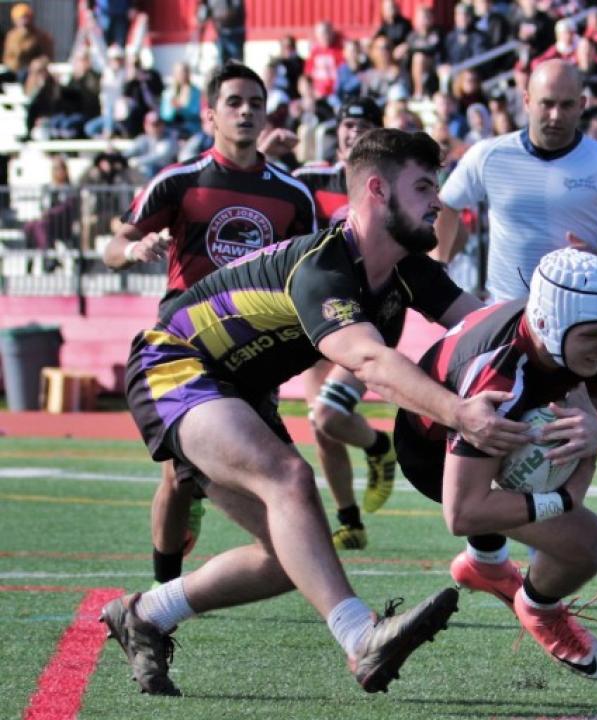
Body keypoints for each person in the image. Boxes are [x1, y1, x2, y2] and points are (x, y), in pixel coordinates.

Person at [101, 129, 487, 695]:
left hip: (239, 389)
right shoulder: (322, 265)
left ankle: (145, 614)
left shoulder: (408, 268)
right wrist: (462, 413)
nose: (439, 201)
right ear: (377, 190)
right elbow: (369, 360)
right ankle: (362, 638)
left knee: (292, 557)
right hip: (175, 360)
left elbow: (486, 330)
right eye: (425, 185)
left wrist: (565, 355)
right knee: (289, 478)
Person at [102, 63, 318, 591]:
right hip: (186, 351)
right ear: (209, 114)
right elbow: (112, 247)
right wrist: (133, 249)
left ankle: (163, 603)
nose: (245, 111)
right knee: (177, 480)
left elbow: (311, 275)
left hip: (256, 353)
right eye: (234, 102)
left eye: (255, 103)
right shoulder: (179, 180)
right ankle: (160, 597)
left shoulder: (294, 195)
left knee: (281, 479)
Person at [397, 248, 597, 680]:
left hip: (502, 426)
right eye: (593, 335)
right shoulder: (497, 373)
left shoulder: (593, 335)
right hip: (432, 451)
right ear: (550, 325)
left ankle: (485, 563)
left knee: (554, 435)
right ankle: (539, 608)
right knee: (587, 543)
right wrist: (564, 498)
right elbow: (463, 513)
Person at [432, 60, 597, 302]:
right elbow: (445, 205)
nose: (555, 115)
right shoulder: (489, 155)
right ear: (527, 101)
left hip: (580, 318)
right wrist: (438, 267)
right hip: (507, 316)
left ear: (582, 105)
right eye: (547, 104)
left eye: (566, 105)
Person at [293, 97, 401, 550]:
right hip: (320, 314)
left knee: (328, 414)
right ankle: (350, 521)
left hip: (372, 317)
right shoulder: (310, 180)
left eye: (360, 125)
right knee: (320, 427)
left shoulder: (391, 185)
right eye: (345, 124)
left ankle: (380, 447)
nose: (350, 132)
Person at [3, 3, 54, 82]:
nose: (24, 21)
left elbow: (47, 56)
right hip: (14, 71)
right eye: (21, 18)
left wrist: (38, 63)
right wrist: (12, 65)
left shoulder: (40, 36)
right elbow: (7, 56)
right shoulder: (11, 36)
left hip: (30, 73)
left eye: (26, 17)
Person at [195, 0, 246, 67]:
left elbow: (235, 10)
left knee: (236, 64)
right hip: (221, 35)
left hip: (234, 34)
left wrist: (219, 17)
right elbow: (203, 15)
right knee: (222, 65)